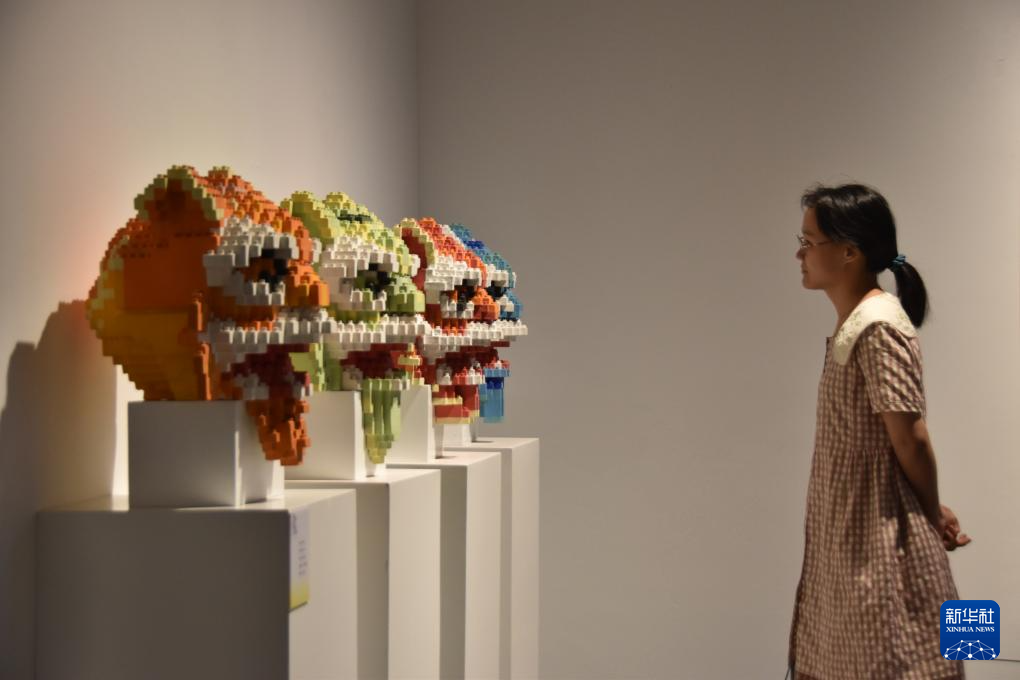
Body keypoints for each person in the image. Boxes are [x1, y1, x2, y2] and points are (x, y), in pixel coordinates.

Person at [787, 184, 971, 679]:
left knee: (903, 656)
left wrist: (929, 512)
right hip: (855, 531)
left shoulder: (879, 326)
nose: (800, 254)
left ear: (850, 252)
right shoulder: (860, 323)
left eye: (809, 242)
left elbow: (911, 438)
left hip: (878, 539)